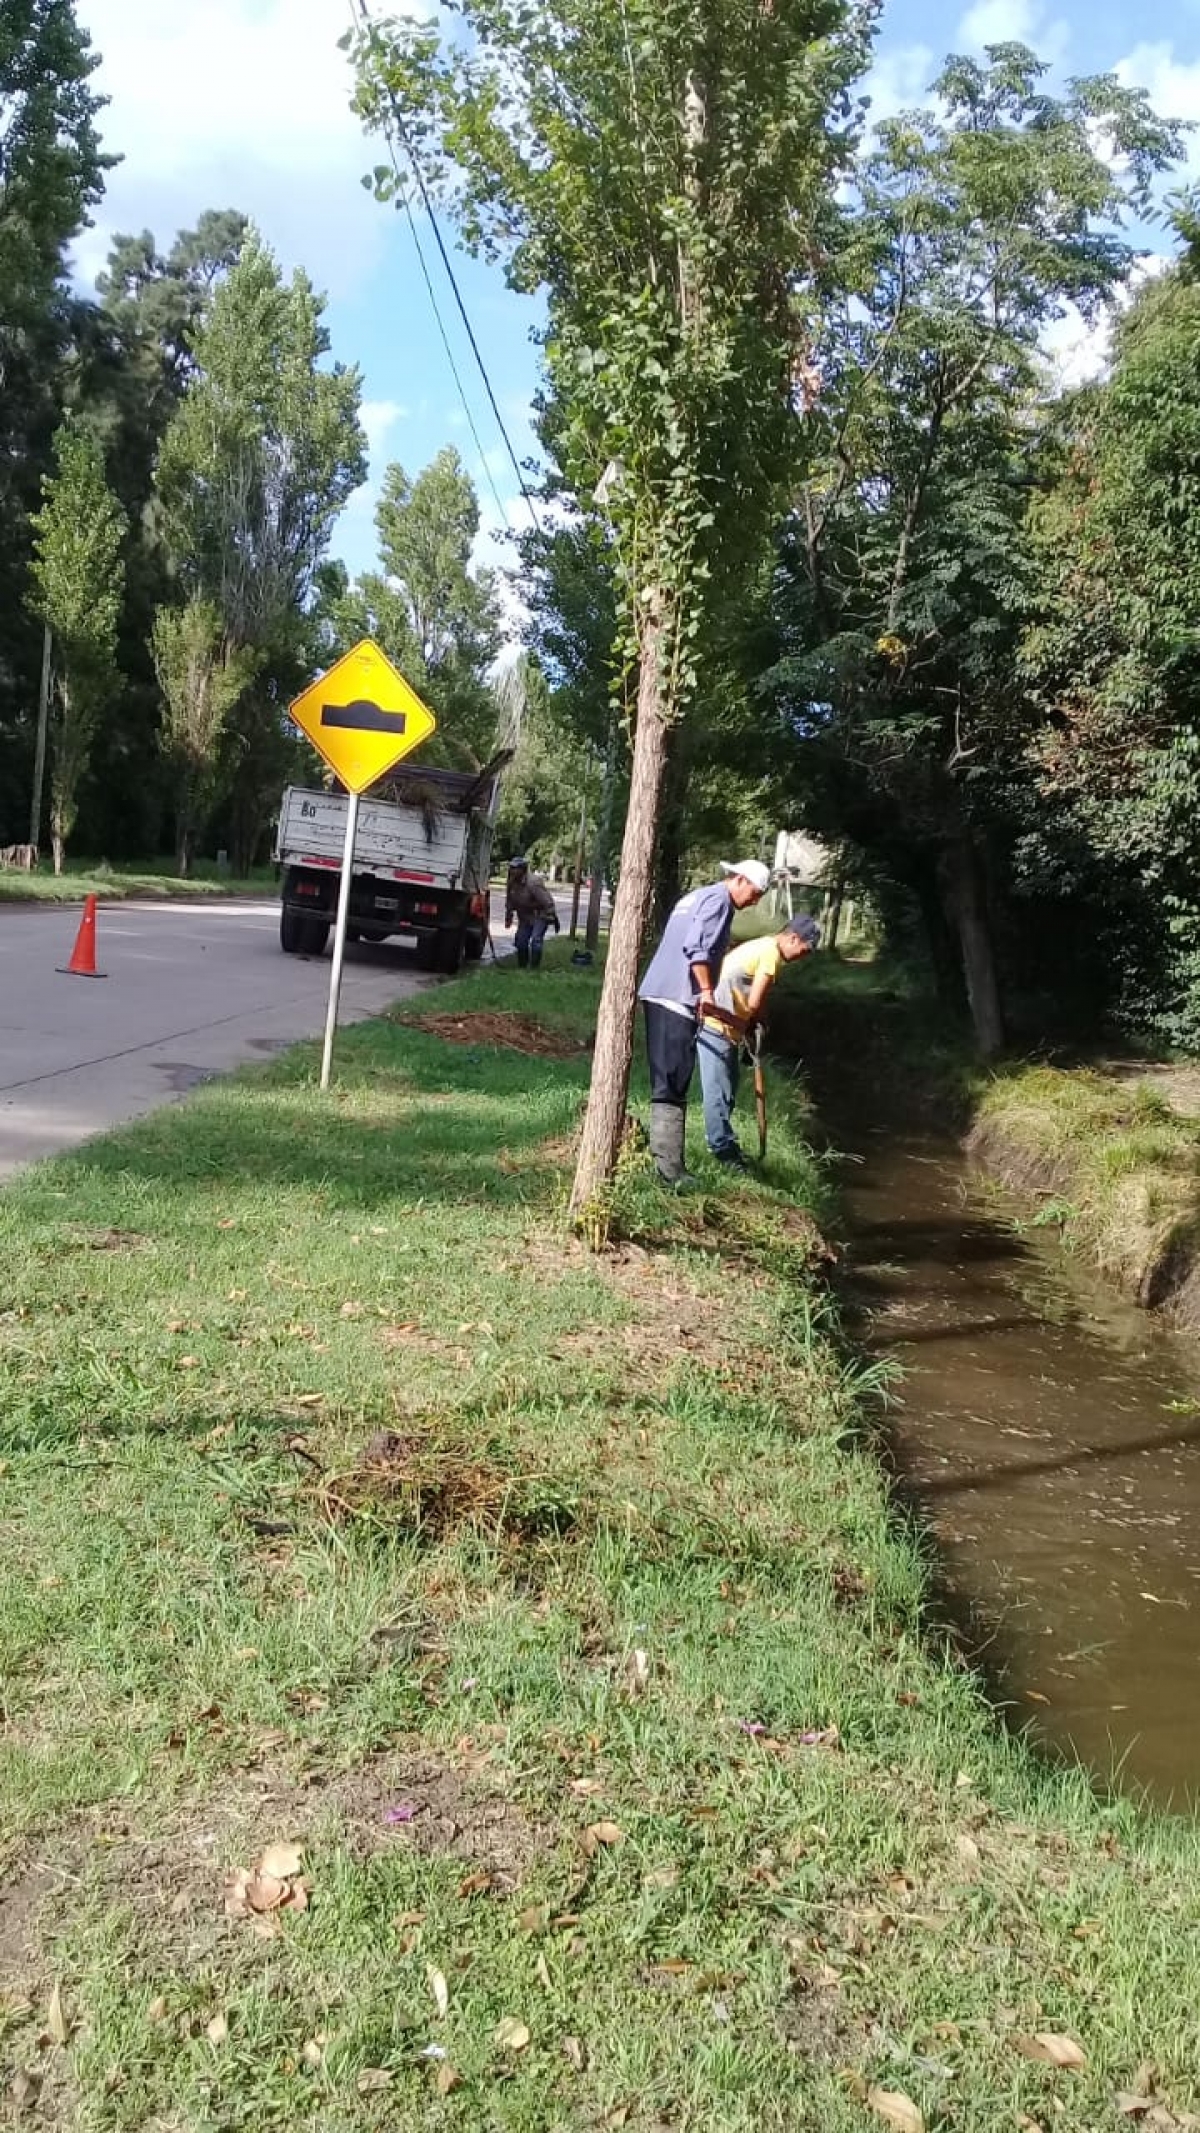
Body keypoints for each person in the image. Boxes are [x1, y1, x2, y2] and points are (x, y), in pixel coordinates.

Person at [637, 860, 771, 1185]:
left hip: (661, 990)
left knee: (671, 1077)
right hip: (676, 997)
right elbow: (696, 948)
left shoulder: (700, 896)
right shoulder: (720, 901)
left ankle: (670, 1166)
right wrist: (707, 991)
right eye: (755, 894)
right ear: (740, 880)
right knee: (672, 1079)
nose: (754, 902)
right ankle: (669, 1172)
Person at [697, 914, 821, 1169]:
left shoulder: (765, 945)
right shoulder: (771, 955)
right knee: (718, 1092)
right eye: (804, 950)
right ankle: (721, 1150)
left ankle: (726, 1143)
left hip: (725, 1026)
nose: (803, 956)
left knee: (728, 1088)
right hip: (716, 1024)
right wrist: (757, 1022)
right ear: (793, 938)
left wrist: (752, 1024)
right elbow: (755, 1001)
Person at [505, 857, 559, 968]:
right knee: (521, 941)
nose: (512, 871)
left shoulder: (533, 883)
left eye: (515, 868)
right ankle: (522, 967)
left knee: (536, 940)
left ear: (523, 870)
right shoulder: (511, 882)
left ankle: (534, 968)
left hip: (539, 915)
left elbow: (547, 901)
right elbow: (509, 900)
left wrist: (551, 916)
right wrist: (508, 916)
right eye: (511, 868)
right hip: (524, 916)